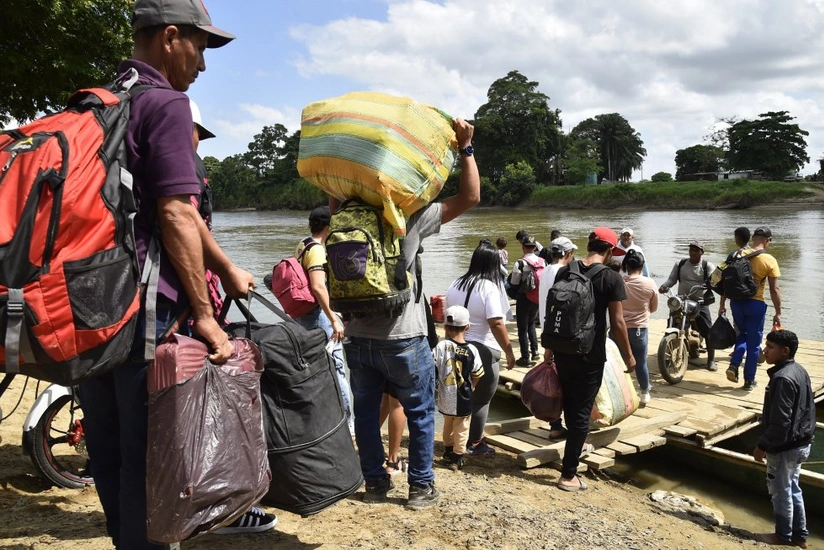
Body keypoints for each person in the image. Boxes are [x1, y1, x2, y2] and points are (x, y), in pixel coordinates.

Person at [76, 3, 274, 549]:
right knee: (153, 461)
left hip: (91, 305)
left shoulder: (98, 103)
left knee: (112, 455)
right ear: (169, 37)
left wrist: (227, 266)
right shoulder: (166, 104)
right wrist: (208, 318)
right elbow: (176, 213)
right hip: (145, 314)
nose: (203, 65)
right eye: (201, 47)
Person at [339, 118, 480, 510]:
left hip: (358, 337)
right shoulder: (408, 215)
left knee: (367, 416)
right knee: (419, 414)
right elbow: (470, 197)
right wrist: (466, 147)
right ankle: (419, 488)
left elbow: (333, 190)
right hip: (404, 337)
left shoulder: (344, 214)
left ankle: (375, 483)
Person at [543, 227, 636, 492]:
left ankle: (574, 445)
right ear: (608, 251)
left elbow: (554, 312)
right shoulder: (611, 277)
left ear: (589, 245)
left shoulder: (566, 270)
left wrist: (549, 347)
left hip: (562, 348)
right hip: (589, 353)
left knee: (571, 402)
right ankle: (568, 474)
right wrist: (629, 356)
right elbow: (617, 323)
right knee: (581, 410)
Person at [445, 241, 516, 457]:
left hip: (456, 347)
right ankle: (475, 443)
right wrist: (509, 351)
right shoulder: (489, 287)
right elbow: (496, 323)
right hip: (483, 350)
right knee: (482, 398)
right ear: (493, 264)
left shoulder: (456, 283)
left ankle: (452, 441)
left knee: (456, 396)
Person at [293, 206, 353, 434]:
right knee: (337, 368)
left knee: (314, 368)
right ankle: (347, 424)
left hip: (303, 315)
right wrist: (334, 319)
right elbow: (318, 286)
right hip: (319, 316)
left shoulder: (303, 244)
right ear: (329, 227)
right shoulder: (318, 249)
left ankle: (319, 420)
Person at [753, 330, 815, 548]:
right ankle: (800, 536)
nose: (765, 351)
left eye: (770, 347)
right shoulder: (799, 371)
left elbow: (780, 421)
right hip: (801, 442)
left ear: (785, 351)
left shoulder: (782, 378)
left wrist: (762, 446)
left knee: (781, 492)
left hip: (784, 446)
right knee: (793, 488)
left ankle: (783, 535)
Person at [719, 227, 782, 390]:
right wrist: (778, 313)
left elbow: (725, 281)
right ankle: (749, 380)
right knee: (754, 343)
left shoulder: (736, 254)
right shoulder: (770, 260)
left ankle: (734, 365)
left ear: (753, 238)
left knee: (742, 336)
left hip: (736, 303)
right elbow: (775, 290)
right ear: (768, 240)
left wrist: (722, 304)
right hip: (756, 304)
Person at [434, 306, 484, 471]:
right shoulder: (472, 350)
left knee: (448, 423)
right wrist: (473, 386)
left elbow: (432, 366)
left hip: (445, 395)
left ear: (445, 327)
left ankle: (447, 449)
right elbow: (477, 373)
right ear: (467, 327)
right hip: (463, 396)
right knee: (462, 427)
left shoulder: (441, 346)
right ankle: (458, 455)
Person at [537, 236, 578, 439]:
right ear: (568, 254)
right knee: (566, 380)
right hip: (558, 331)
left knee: (555, 379)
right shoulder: (563, 272)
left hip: (547, 330)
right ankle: (571, 425)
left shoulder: (545, 270)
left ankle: (556, 424)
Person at [659, 240, 717, 371]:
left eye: (696, 250)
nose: (693, 252)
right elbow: (671, 279)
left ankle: (711, 359)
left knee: (708, 330)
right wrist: (665, 286)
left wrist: (711, 283)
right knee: (672, 324)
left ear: (702, 252)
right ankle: (667, 355)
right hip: (681, 301)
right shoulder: (680, 264)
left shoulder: (707, 265)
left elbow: (714, 281)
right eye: (691, 249)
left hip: (699, 302)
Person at [619, 249, 658, 404]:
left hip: (619, 329)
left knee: (621, 363)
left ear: (626, 266)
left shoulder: (620, 283)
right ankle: (644, 392)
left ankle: (622, 393)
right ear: (642, 267)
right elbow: (654, 308)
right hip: (639, 330)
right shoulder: (649, 283)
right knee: (641, 362)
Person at [509, 234, 545, 366]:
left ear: (523, 247)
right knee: (531, 324)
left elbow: (514, 283)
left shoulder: (520, 263)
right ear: (535, 247)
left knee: (522, 328)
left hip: (524, 298)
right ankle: (535, 352)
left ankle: (525, 358)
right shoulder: (543, 262)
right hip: (536, 297)